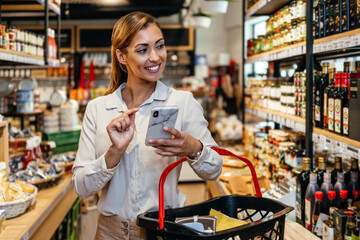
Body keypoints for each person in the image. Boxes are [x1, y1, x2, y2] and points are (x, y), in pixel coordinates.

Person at [72, 11, 223, 240]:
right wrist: (114, 153)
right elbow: (82, 188)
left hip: (163, 230)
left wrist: (194, 147)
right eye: (143, 50)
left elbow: (215, 169)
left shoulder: (181, 103)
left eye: (159, 46)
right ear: (122, 57)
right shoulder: (99, 108)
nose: (155, 57)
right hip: (110, 232)